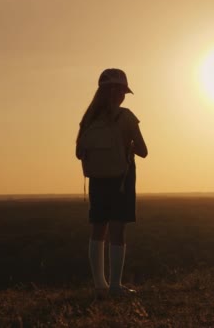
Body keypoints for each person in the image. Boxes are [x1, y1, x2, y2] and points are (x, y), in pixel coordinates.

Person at [75, 68, 148, 298]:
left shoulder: (88, 119)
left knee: (98, 228)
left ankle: (100, 285)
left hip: (97, 179)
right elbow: (144, 151)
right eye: (123, 91)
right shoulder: (125, 116)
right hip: (122, 179)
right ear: (118, 92)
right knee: (118, 230)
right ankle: (116, 285)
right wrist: (127, 146)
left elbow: (79, 153)